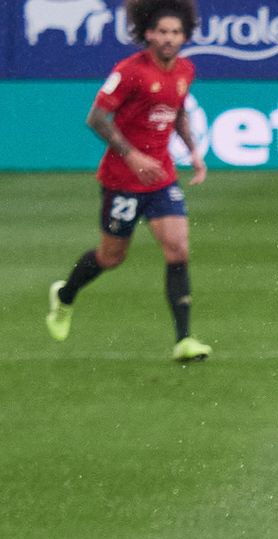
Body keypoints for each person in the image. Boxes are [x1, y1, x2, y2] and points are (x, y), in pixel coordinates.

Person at [46, 0, 212, 363]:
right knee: (111, 257)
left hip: (162, 178)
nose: (169, 38)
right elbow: (96, 118)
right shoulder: (130, 71)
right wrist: (132, 155)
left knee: (177, 249)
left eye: (176, 32)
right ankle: (65, 295)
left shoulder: (185, 70)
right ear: (148, 34)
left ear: (184, 36)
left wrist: (193, 152)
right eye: (162, 32)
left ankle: (184, 340)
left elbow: (178, 112)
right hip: (122, 180)